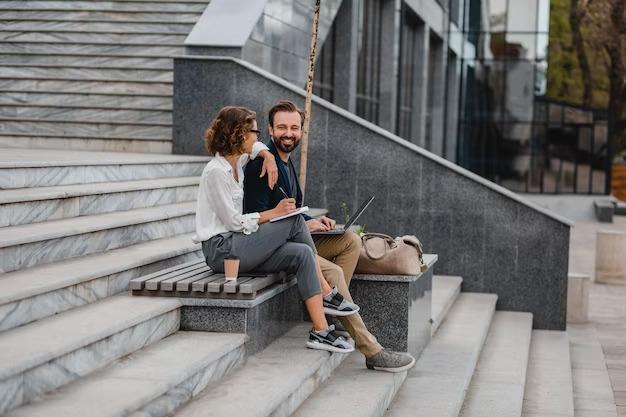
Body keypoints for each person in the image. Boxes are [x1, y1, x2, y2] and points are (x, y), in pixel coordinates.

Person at [243, 100, 416, 372]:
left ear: (301, 130)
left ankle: (330, 310)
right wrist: (297, 223)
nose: (288, 133)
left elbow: (292, 210)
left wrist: (310, 221)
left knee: (350, 240)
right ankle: (371, 349)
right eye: (281, 127)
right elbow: (254, 220)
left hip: (295, 236)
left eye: (294, 127)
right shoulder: (262, 166)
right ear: (269, 130)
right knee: (333, 273)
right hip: (275, 248)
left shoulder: (286, 164)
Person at [192, 105, 359, 353]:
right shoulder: (216, 172)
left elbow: (259, 149)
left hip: (240, 247)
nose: (258, 138)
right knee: (291, 218)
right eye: (254, 132)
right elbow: (233, 222)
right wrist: (274, 213)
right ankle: (326, 291)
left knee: (302, 254)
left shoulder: (239, 162)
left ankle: (321, 331)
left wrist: (268, 156)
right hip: (222, 250)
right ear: (238, 134)